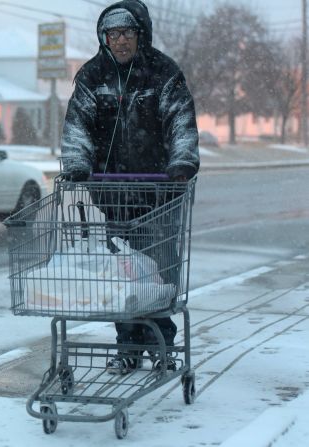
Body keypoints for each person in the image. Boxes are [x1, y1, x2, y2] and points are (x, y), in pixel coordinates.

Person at [61, 0, 200, 375]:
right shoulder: (92, 77)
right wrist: (77, 162)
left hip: (159, 193)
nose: (120, 41)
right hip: (113, 194)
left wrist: (182, 163)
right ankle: (128, 345)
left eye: (127, 33)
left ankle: (160, 342)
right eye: (113, 34)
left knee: (157, 272)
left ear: (141, 35)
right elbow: (78, 126)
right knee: (123, 274)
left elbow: (180, 121)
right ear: (103, 38)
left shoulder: (163, 74)